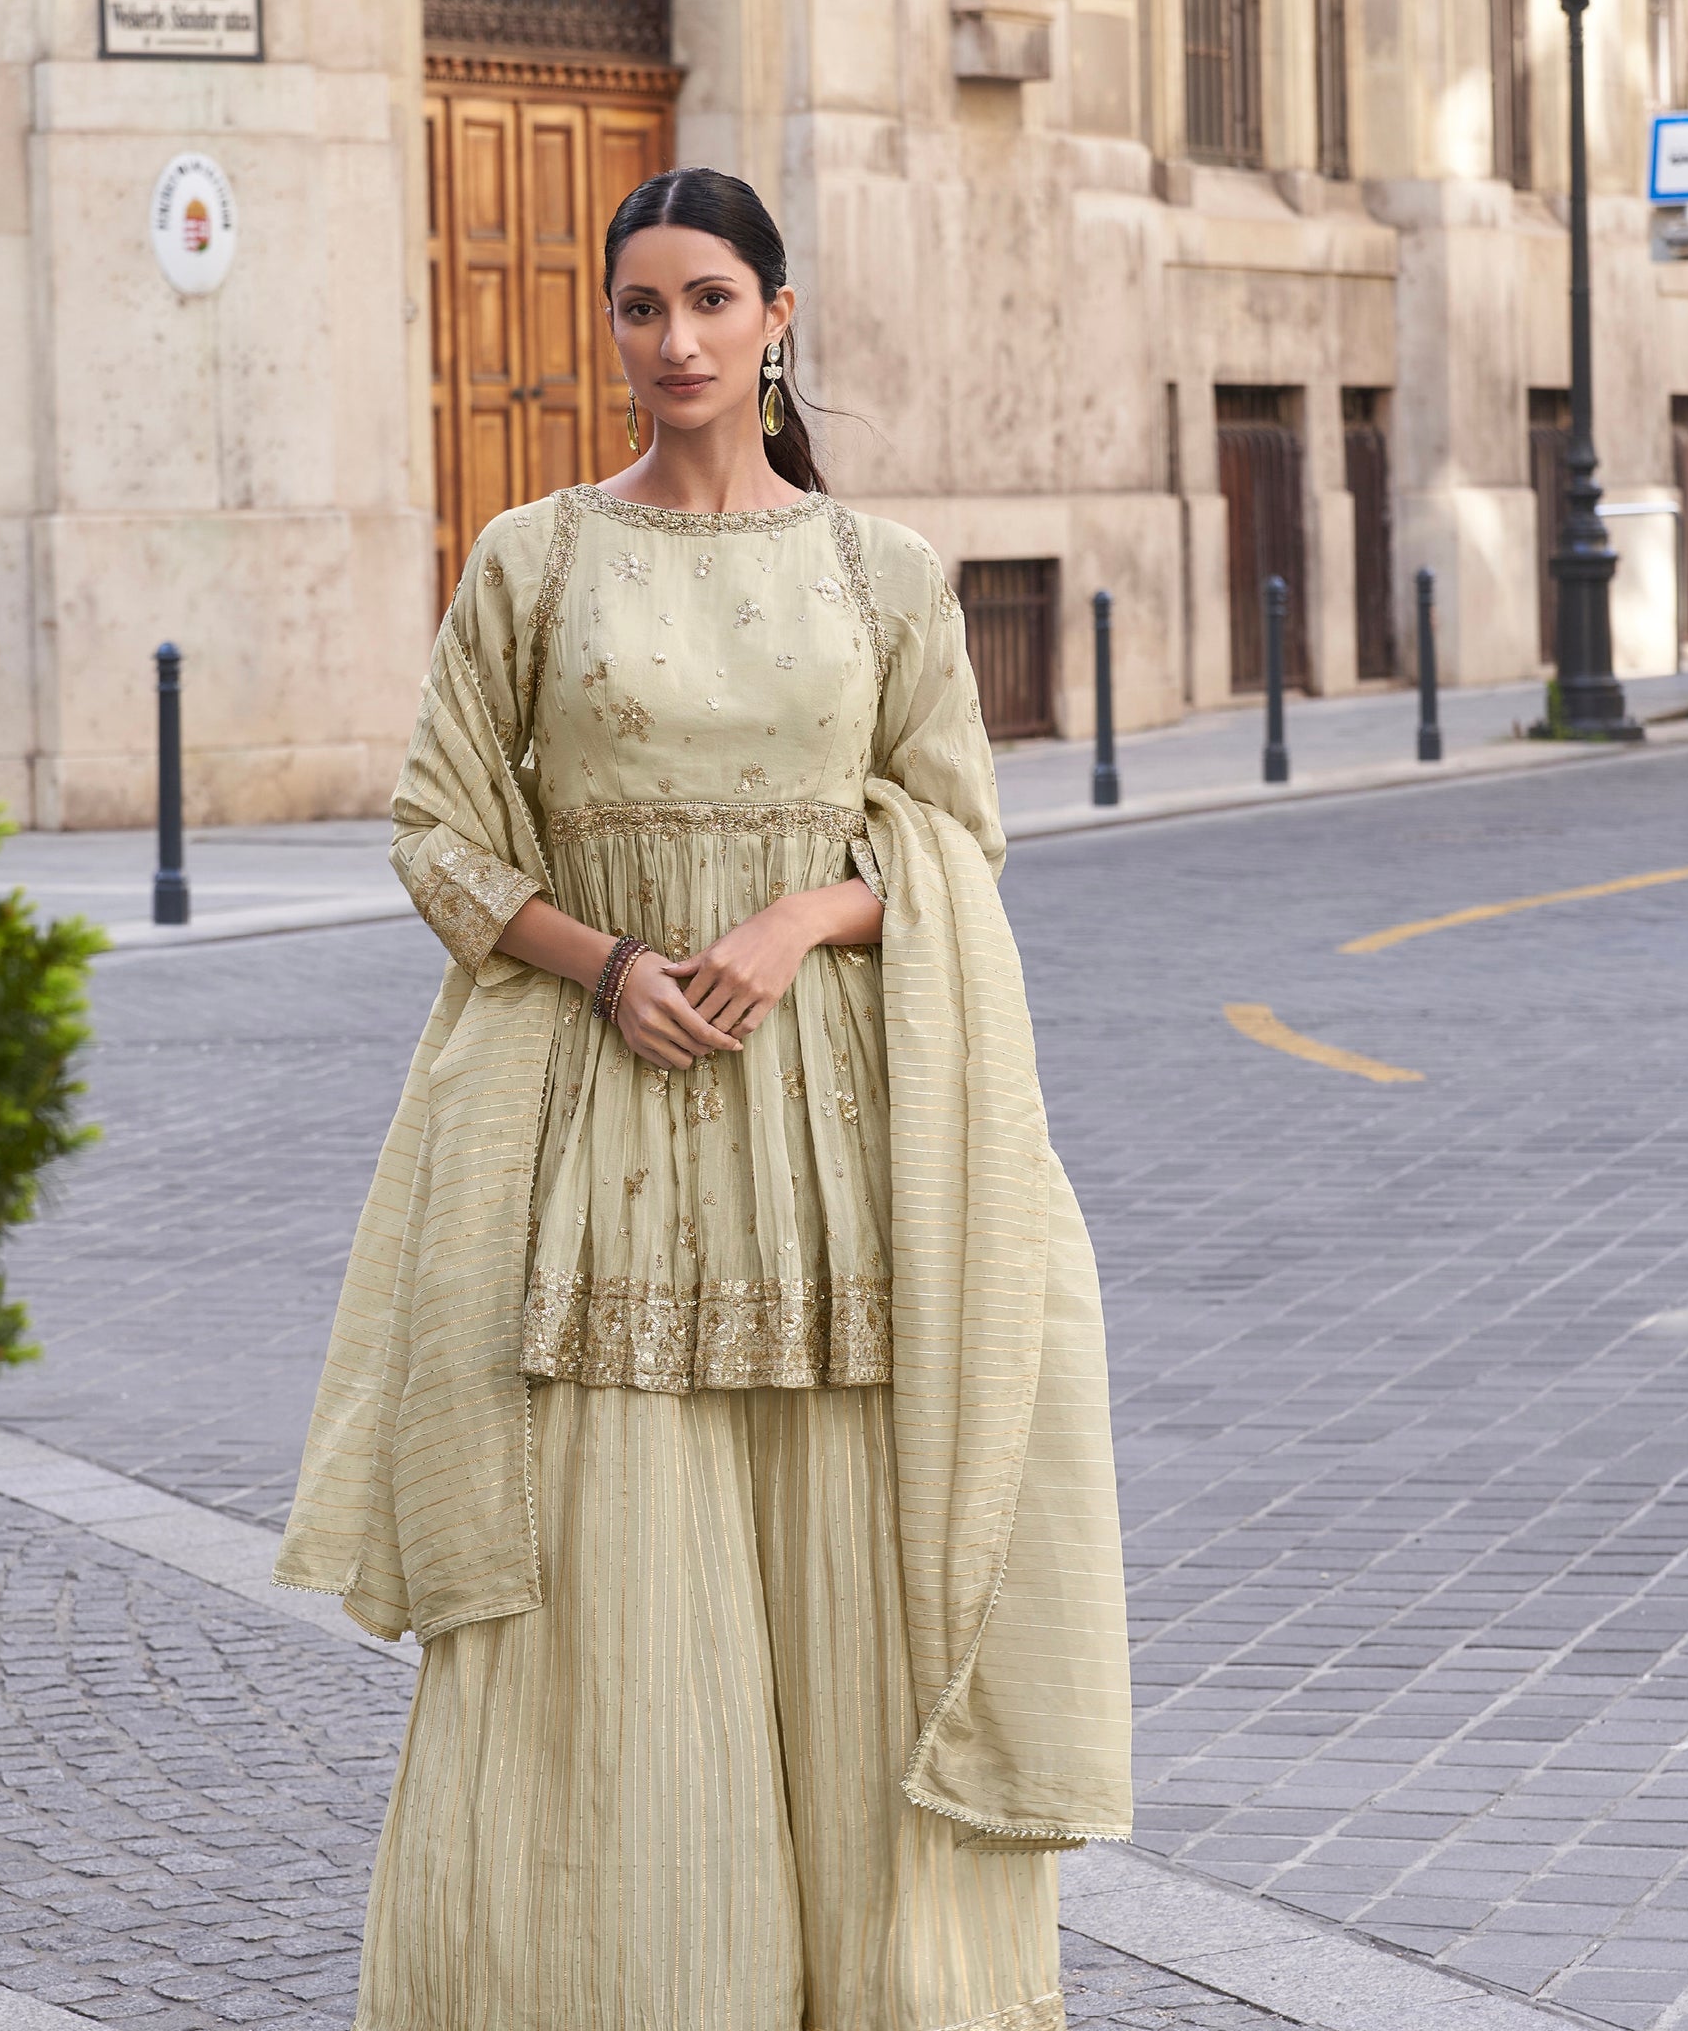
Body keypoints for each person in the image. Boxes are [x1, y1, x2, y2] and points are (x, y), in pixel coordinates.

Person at [276, 166, 1133, 2031]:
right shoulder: (531, 558)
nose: (672, 342)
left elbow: (954, 833)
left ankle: (876, 1983)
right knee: (607, 1593)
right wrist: (600, 962)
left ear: (777, 318)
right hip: (598, 1124)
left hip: (834, 1126)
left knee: (850, 1565)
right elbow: (432, 828)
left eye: (709, 303)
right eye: (640, 308)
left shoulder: (879, 572)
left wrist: (804, 912)